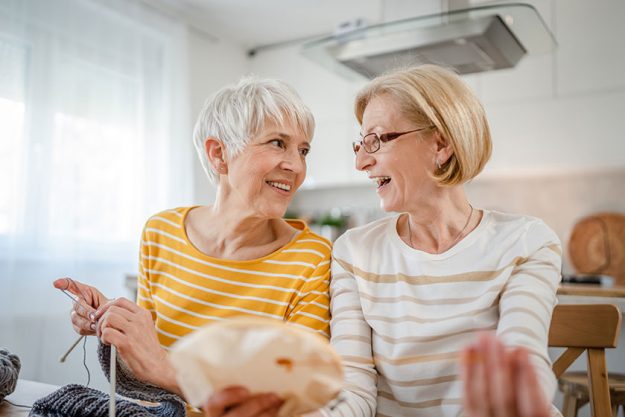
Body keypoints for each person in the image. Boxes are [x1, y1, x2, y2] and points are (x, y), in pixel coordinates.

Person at [54, 76, 332, 417]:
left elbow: (292, 402)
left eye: (303, 150)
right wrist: (113, 325)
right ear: (219, 154)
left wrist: (168, 370)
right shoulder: (161, 232)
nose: (296, 165)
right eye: (277, 143)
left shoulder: (312, 259)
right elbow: (146, 367)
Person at [315, 65, 562, 417]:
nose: (360, 162)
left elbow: (523, 358)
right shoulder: (354, 252)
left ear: (441, 143)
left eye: (376, 140)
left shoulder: (526, 242)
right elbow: (352, 391)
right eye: (360, 143)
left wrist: (513, 394)